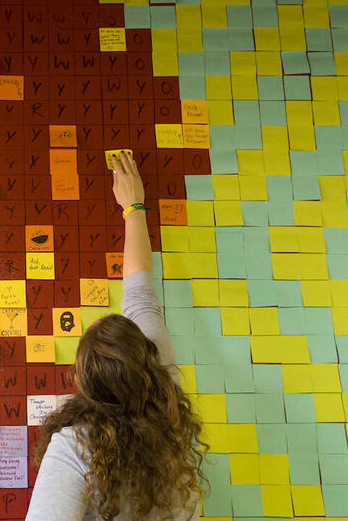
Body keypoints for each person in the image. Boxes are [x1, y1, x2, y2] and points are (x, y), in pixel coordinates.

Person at [26, 151, 209, 521]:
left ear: (85, 387)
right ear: (147, 357)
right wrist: (134, 207)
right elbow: (140, 292)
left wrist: (134, 207)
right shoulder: (167, 407)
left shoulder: (77, 448)